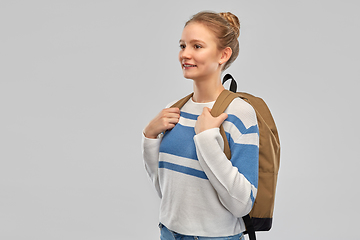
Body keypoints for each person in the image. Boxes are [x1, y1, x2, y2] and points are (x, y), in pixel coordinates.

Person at [142, 11, 259, 240]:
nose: (185, 54)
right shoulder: (175, 110)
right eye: (182, 45)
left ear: (223, 54)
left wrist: (206, 138)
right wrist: (148, 137)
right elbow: (165, 191)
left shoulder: (238, 112)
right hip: (168, 233)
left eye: (197, 46)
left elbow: (242, 204)